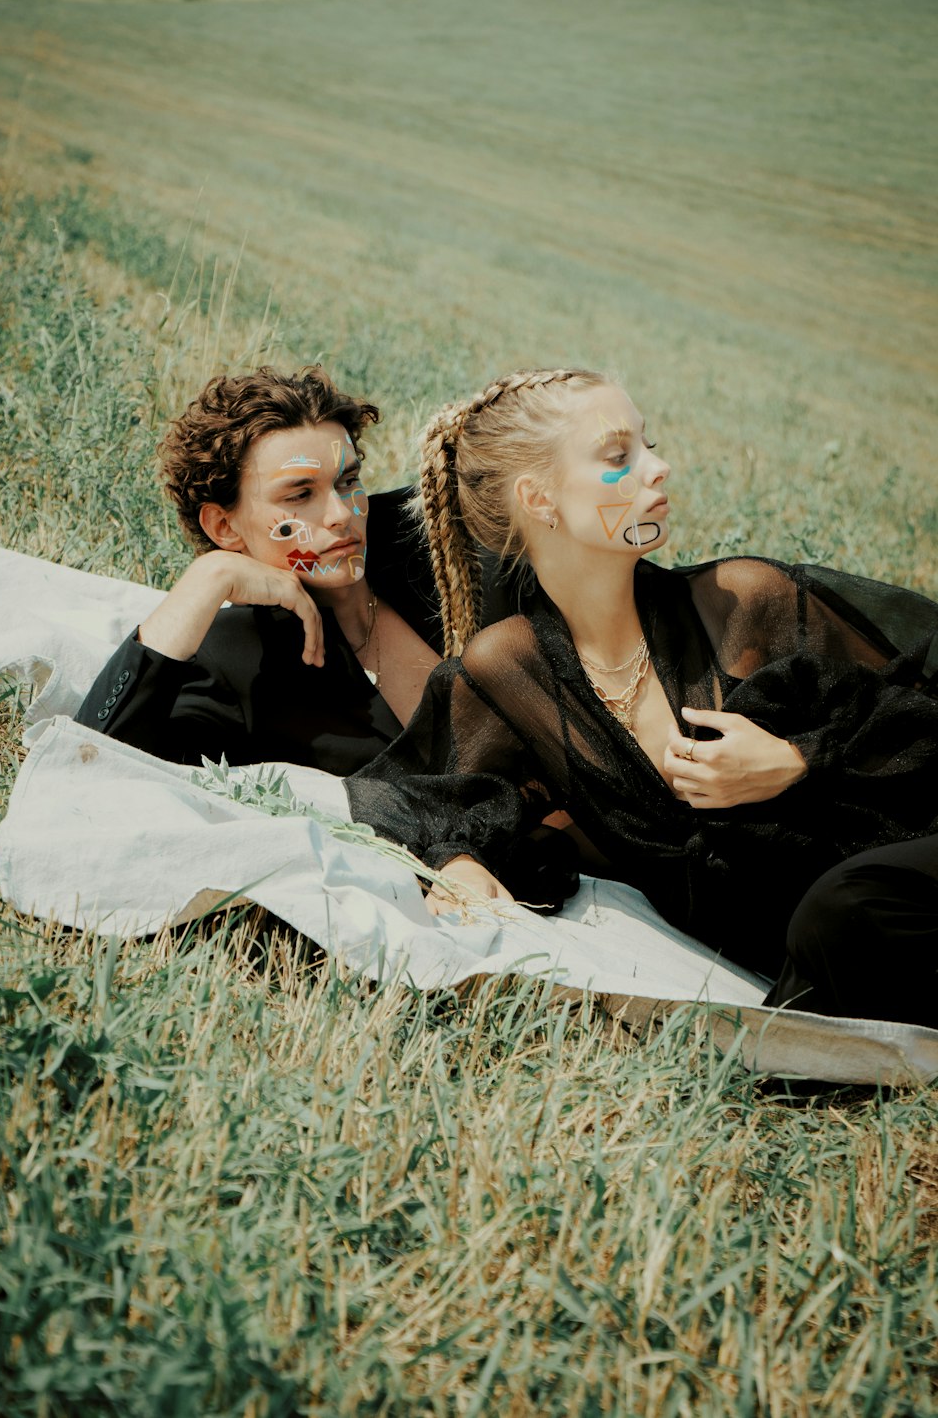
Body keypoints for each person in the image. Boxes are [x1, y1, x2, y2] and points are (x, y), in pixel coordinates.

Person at [347, 368, 938, 1026]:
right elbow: (416, 794)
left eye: (647, 445)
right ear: (539, 500)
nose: (659, 468)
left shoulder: (743, 603)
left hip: (900, 883)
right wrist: (455, 860)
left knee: (848, 909)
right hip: (805, 956)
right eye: (618, 456)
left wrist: (799, 761)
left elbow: (921, 722)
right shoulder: (510, 668)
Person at [76, 365, 564, 908]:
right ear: (224, 527)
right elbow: (88, 769)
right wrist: (207, 579)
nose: (340, 515)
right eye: (299, 495)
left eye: (348, 482)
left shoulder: (429, 543)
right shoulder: (237, 657)